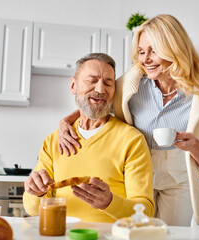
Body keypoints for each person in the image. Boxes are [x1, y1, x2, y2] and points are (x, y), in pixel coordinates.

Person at [57, 14, 199, 226]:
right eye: (141, 51)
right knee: (135, 232)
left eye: (153, 51)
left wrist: (194, 146)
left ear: (173, 48)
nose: (145, 59)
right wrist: (65, 122)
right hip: (137, 172)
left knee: (168, 236)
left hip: (178, 178)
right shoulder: (131, 86)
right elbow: (97, 102)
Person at [23, 53, 155, 223]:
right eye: (92, 81)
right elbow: (31, 209)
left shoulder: (132, 140)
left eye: (108, 83)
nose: (100, 89)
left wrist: (109, 203)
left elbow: (145, 211)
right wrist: (36, 191)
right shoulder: (53, 141)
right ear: (73, 85)